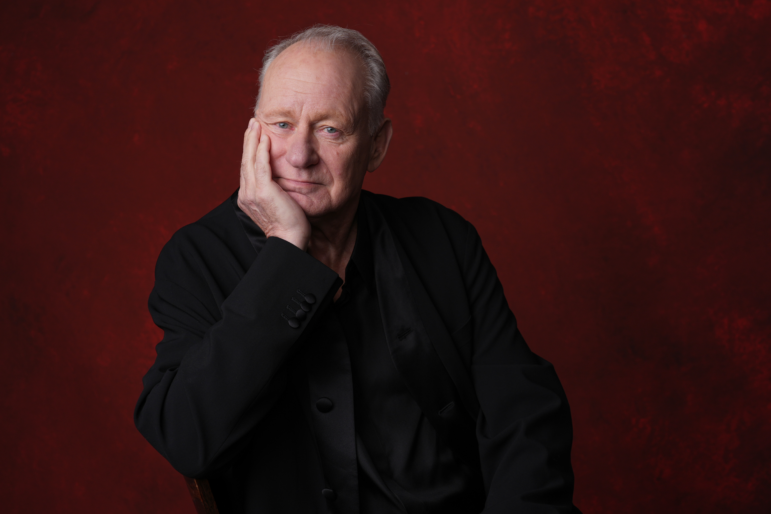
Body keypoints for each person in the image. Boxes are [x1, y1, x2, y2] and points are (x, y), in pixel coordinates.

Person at [134, 24, 581, 514]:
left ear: (377, 145)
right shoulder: (196, 258)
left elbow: (524, 413)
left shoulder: (441, 237)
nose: (300, 156)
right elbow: (188, 438)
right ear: (252, 135)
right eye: (281, 124)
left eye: (331, 129)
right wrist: (285, 255)